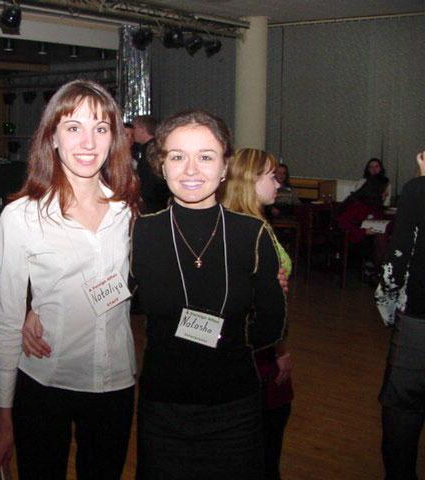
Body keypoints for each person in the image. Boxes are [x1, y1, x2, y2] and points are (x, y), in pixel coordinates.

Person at [0, 79, 140, 480]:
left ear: (114, 139)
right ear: (52, 137)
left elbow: (144, 281)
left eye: (100, 128)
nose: (88, 142)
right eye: (73, 127)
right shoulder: (22, 217)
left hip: (115, 382)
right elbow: (7, 323)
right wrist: (3, 418)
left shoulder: (127, 210)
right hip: (46, 380)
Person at [131, 111, 286, 478]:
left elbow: (272, 322)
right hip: (162, 406)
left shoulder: (252, 234)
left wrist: (229, 344)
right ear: (162, 166)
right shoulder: (141, 233)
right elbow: (113, 301)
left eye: (205, 156)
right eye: (177, 156)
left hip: (234, 405)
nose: (191, 170)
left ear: (224, 167)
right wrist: (38, 309)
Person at [222, 148, 293, 480]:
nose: (278, 184)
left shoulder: (260, 225)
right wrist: (279, 350)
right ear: (249, 180)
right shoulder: (242, 231)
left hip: (264, 346)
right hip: (251, 354)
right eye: (271, 177)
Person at [375, 151, 425, 480]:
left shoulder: (418, 189)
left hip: (419, 321)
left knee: (402, 412)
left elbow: (398, 258)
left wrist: (387, 304)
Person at [132, 115, 169, 213]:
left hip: (153, 203)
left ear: (142, 129)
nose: (133, 132)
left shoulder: (151, 150)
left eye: (134, 128)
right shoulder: (153, 147)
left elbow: (150, 179)